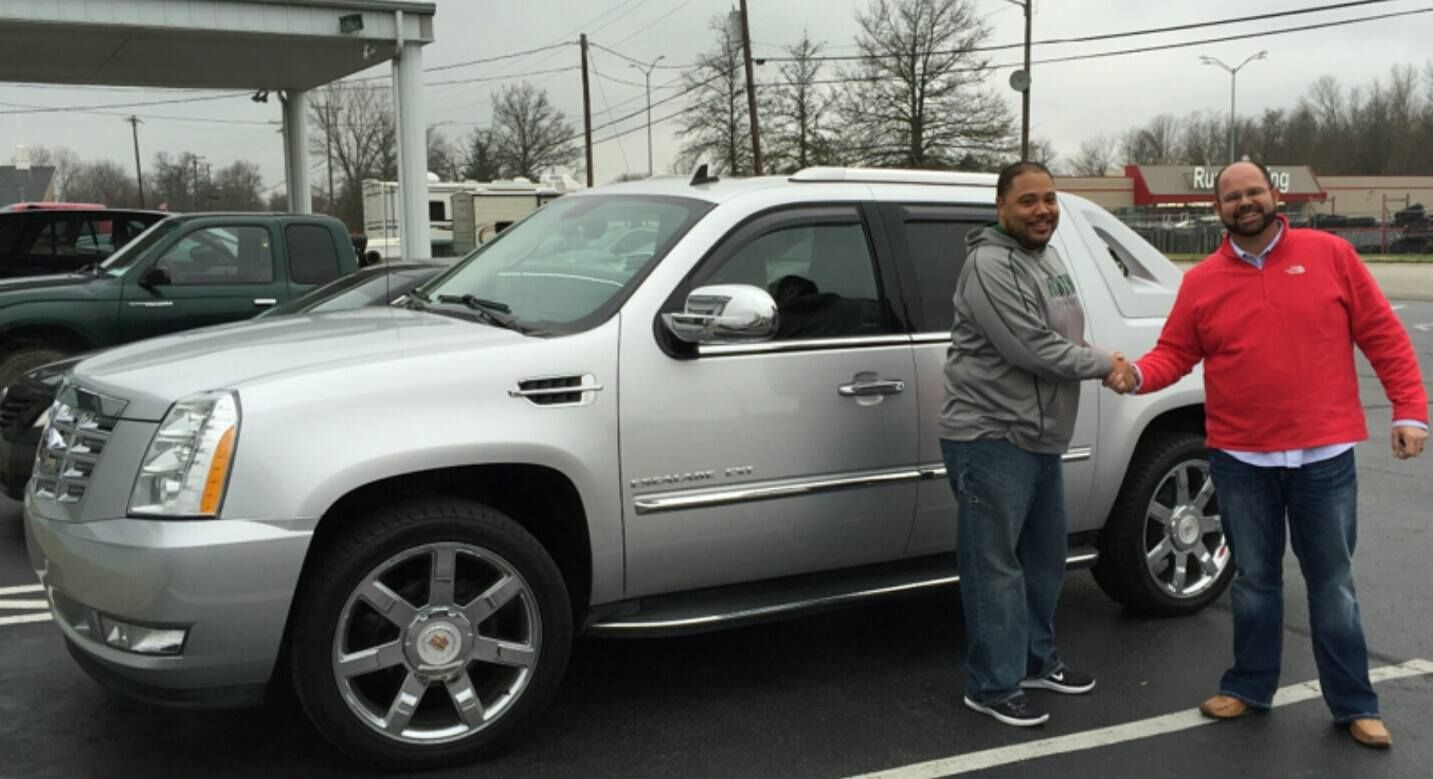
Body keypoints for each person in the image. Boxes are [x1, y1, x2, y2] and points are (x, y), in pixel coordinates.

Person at [1108, 160, 1427, 749]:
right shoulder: (1202, 280)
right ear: (1219, 209)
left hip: (1323, 458)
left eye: (1254, 192)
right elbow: (1175, 352)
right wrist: (1136, 377)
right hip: (1240, 459)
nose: (1244, 203)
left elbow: (1383, 334)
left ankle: (1355, 702)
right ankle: (1251, 686)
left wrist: (1409, 410)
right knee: (1255, 583)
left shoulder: (1331, 255)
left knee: (1332, 585)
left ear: (1274, 196)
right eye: (1233, 197)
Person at [941, 161, 1127, 727]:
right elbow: (1035, 350)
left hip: (1041, 436)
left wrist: (1099, 357)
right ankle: (992, 686)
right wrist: (1109, 366)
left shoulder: (1046, 257)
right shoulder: (989, 265)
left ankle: (1035, 662)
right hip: (991, 435)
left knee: (1045, 561)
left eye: (1049, 198)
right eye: (1027, 201)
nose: (1042, 210)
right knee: (994, 567)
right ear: (1001, 207)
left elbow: (1066, 334)